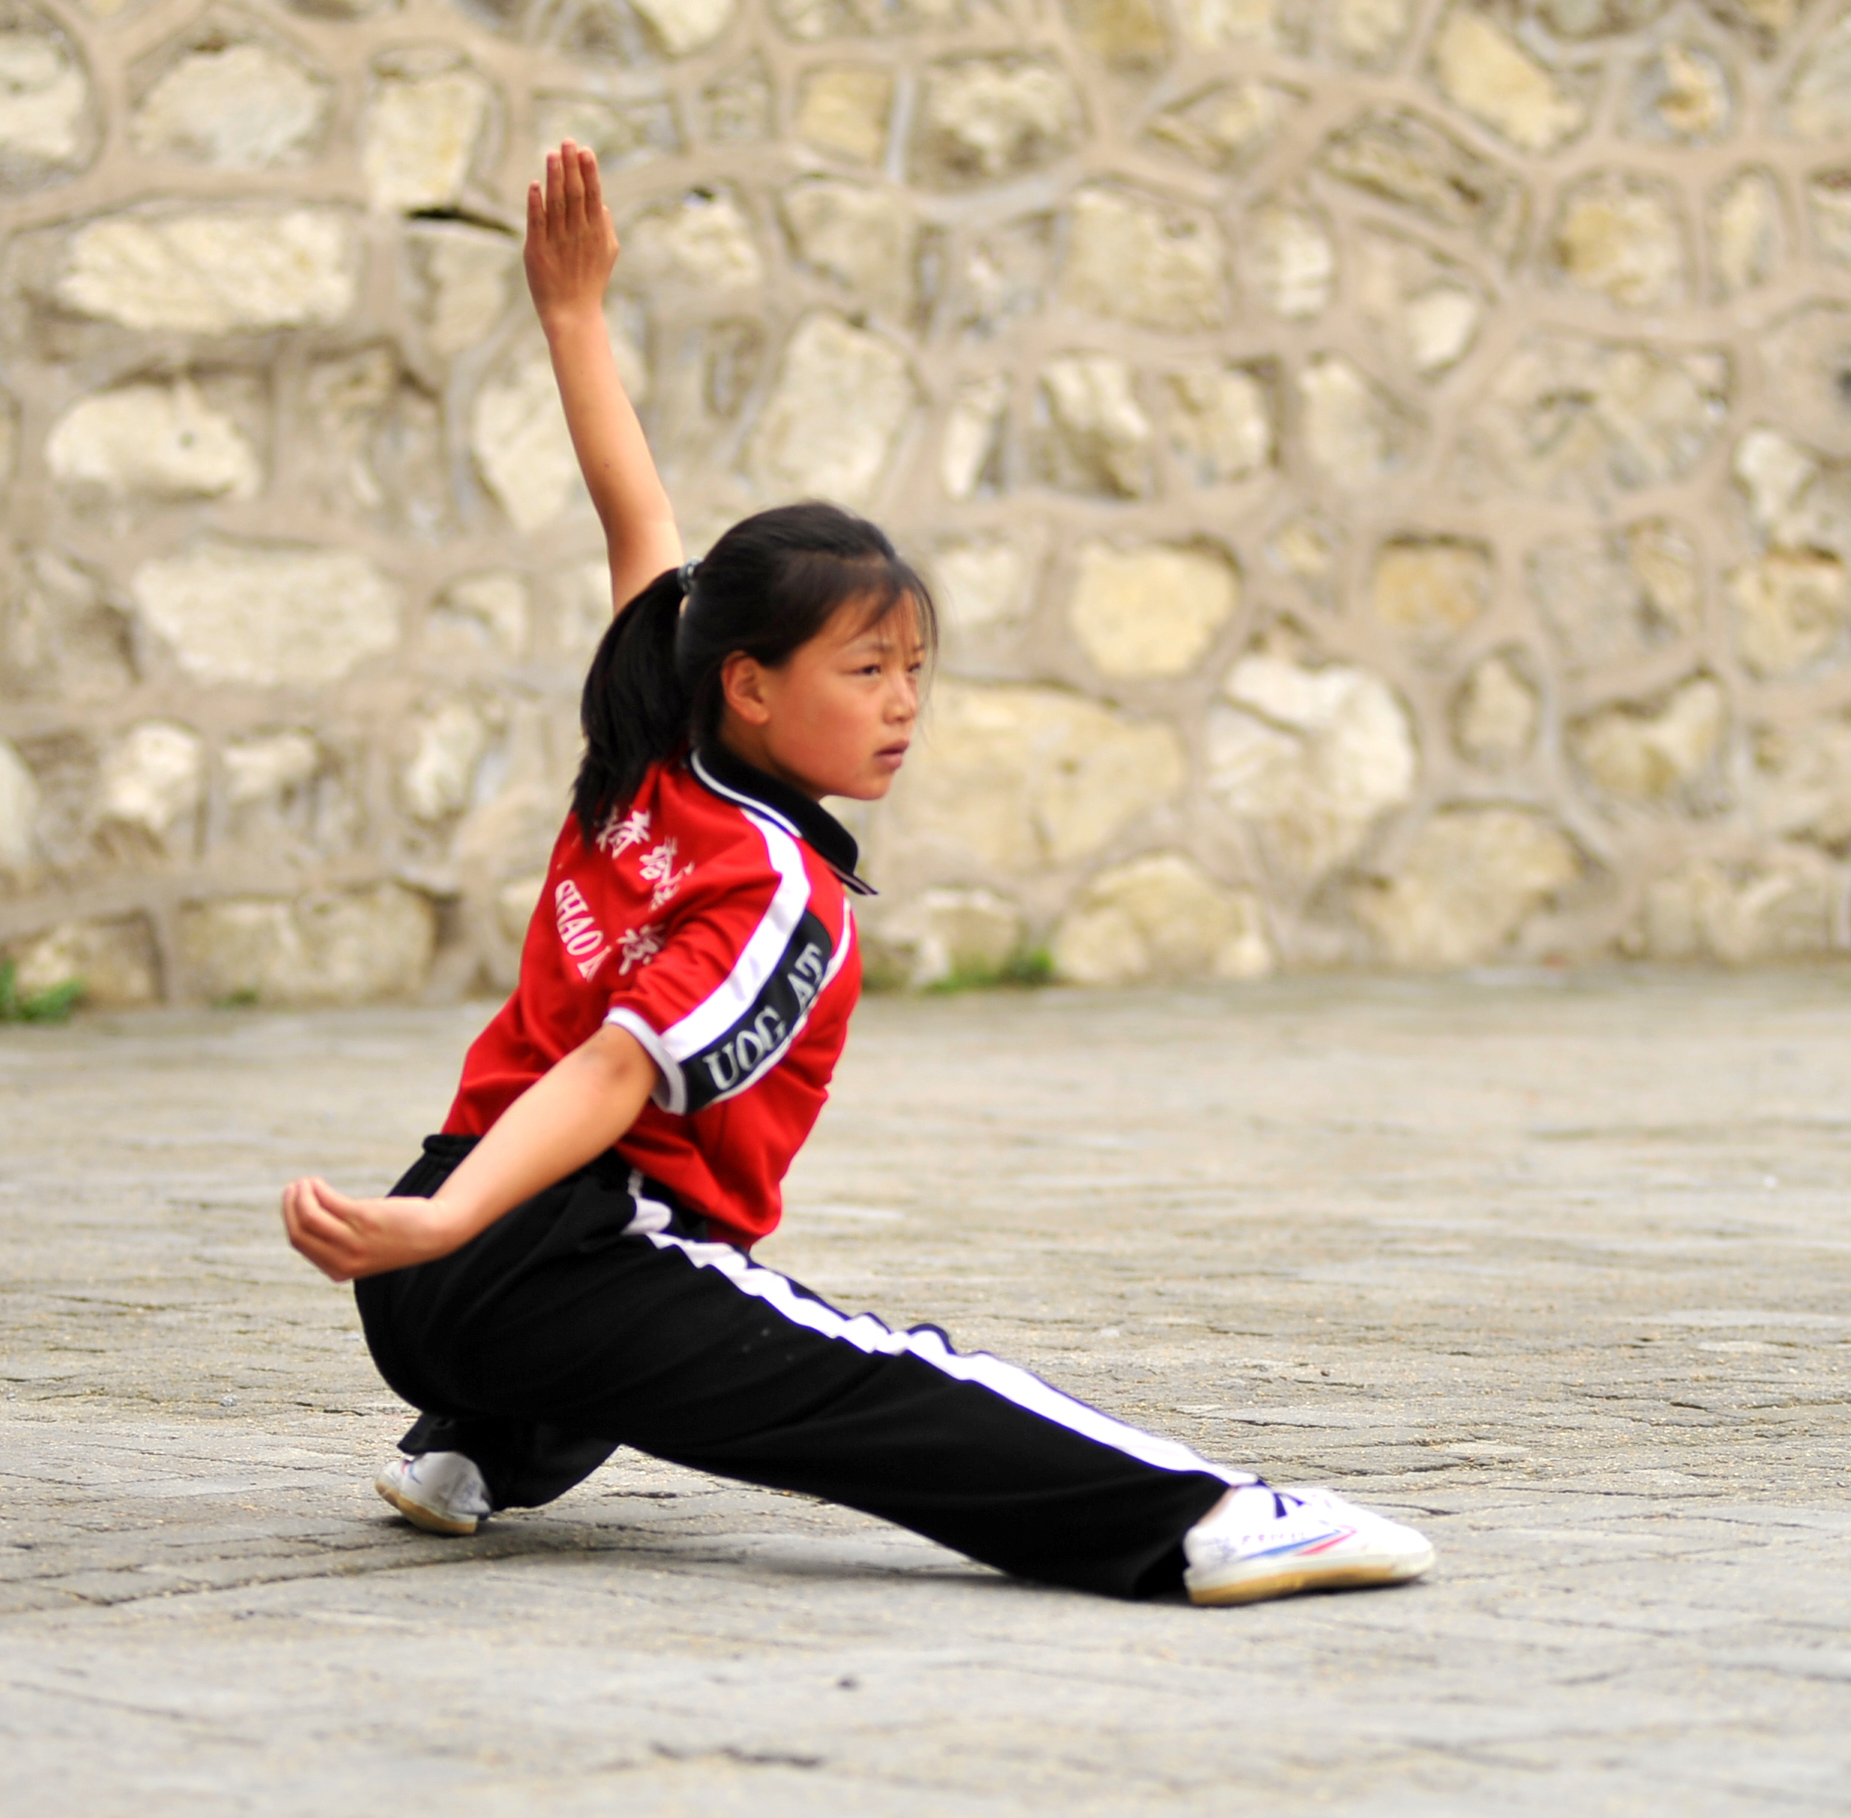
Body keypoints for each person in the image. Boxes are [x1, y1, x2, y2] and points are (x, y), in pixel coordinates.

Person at [277, 142, 1434, 1606]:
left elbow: (638, 527)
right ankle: (1206, 1519)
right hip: (543, 1250)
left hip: (427, 1284)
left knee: (677, 1287)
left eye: (917, 670)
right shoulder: (769, 882)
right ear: (752, 686)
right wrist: (449, 1224)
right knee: (868, 1373)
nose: (902, 703)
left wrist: (571, 313)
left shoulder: (645, 730)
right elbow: (621, 1075)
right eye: (868, 667)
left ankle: (480, 1446)